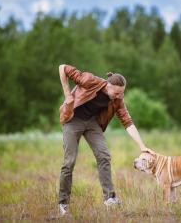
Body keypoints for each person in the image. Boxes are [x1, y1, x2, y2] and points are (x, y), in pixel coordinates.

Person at [58, 64, 153, 215]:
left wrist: (142, 146)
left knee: (104, 156)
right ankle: (63, 203)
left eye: (121, 94)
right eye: (116, 93)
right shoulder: (89, 80)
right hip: (73, 119)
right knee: (69, 162)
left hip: (92, 124)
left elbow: (127, 122)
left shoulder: (118, 100)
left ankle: (109, 198)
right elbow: (62, 67)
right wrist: (67, 94)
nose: (118, 96)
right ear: (108, 86)